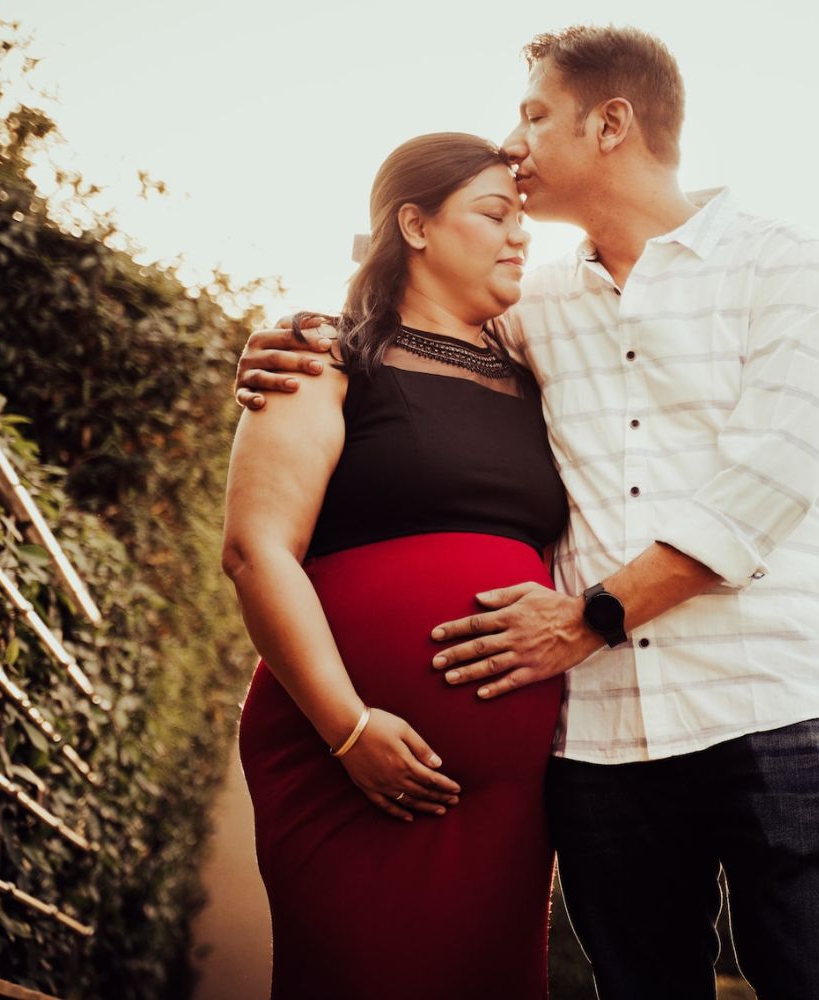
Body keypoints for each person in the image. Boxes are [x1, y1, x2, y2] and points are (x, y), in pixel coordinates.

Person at [235, 26, 819, 999]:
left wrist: (591, 617)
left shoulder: (780, 266)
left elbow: (773, 476)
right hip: (605, 741)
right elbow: (406, 322)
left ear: (611, 123)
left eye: (536, 114)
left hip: (772, 703)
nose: (517, 138)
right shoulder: (531, 308)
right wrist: (284, 337)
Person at [221, 131, 568, 1000]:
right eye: (495, 213)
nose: (520, 234)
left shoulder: (539, 373)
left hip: (509, 799)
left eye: (524, 217)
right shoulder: (324, 354)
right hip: (343, 761)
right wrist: (347, 729)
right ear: (414, 224)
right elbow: (255, 549)